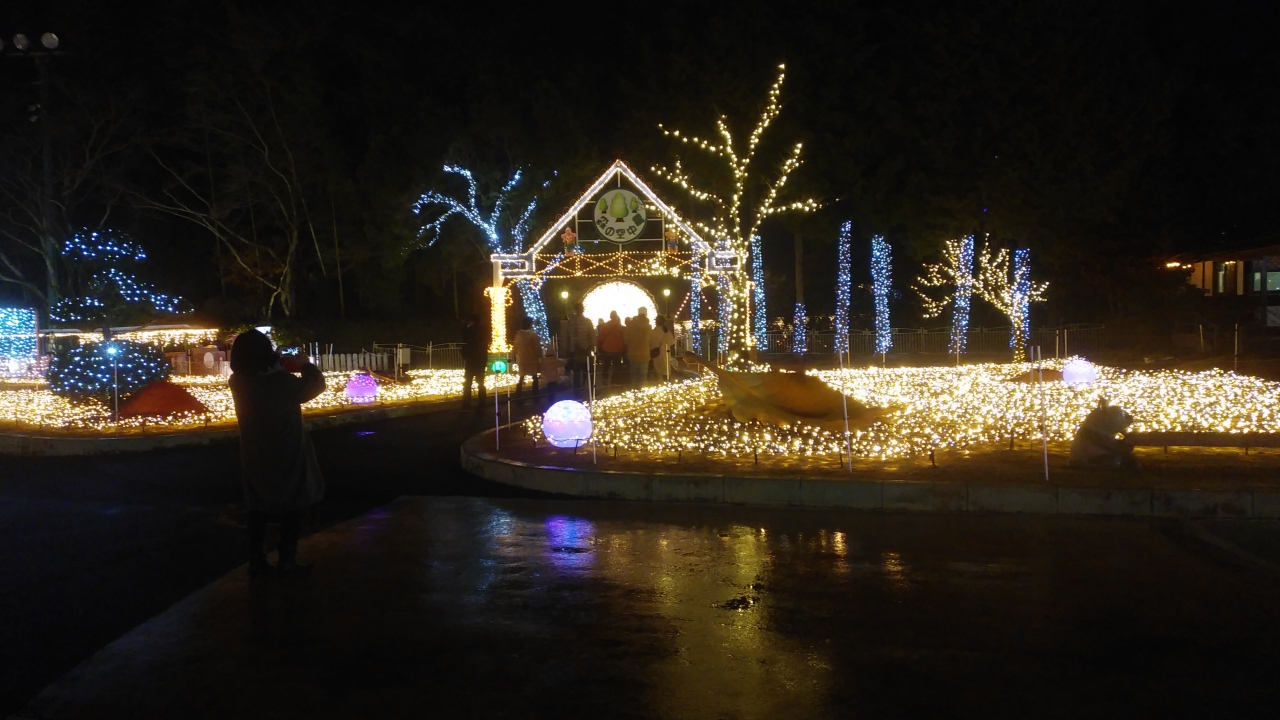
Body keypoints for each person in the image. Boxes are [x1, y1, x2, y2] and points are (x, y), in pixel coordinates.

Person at [228, 329, 326, 578]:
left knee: (257, 507)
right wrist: (305, 365)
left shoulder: (238, 381)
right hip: (286, 449)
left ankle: (257, 560)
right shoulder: (280, 382)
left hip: (254, 450)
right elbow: (315, 386)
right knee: (292, 505)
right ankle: (287, 561)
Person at [565, 302, 596, 389]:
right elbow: (592, 336)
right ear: (583, 310)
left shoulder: (570, 322)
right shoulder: (587, 322)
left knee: (576, 373)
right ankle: (589, 388)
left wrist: (568, 350)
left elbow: (567, 337)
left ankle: (577, 390)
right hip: (585, 349)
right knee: (588, 370)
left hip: (574, 350)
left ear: (575, 310)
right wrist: (593, 347)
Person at [461, 313, 487, 409]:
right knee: (481, 383)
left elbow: (465, 339)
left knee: (468, 383)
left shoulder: (470, 330)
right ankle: (482, 402)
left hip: (471, 360)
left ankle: (466, 403)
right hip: (480, 360)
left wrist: (466, 327)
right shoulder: (484, 330)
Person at [513, 315, 542, 397]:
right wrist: (539, 356)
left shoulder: (518, 335)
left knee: (521, 377)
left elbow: (515, 347)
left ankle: (518, 395)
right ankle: (535, 395)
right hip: (532, 359)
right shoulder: (533, 335)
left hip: (522, 359)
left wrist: (516, 355)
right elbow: (537, 347)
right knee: (534, 377)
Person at [623, 306, 653, 388]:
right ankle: (642, 391)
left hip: (632, 354)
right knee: (643, 376)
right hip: (644, 354)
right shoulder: (648, 327)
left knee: (633, 375)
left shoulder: (630, 326)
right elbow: (650, 340)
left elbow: (625, 340)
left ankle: (634, 391)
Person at [598, 310, 625, 387]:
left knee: (606, 365)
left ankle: (605, 380)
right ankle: (615, 382)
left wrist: (599, 347)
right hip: (617, 349)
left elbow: (601, 337)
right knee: (616, 366)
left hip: (607, 348)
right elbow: (624, 338)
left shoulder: (605, 326)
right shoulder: (620, 327)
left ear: (610, 316)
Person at [650, 313, 676, 382]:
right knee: (665, 371)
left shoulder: (654, 331)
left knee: (658, 371)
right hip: (666, 354)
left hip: (656, 354)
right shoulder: (667, 331)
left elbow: (650, 342)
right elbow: (672, 344)